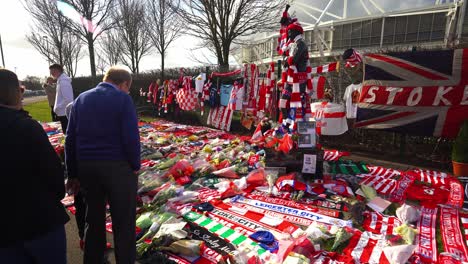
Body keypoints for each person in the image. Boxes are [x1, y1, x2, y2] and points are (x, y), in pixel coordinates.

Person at [65, 66, 140, 263]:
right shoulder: (123, 99)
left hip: (87, 167)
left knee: (94, 219)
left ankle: (92, 259)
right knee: (123, 223)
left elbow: (70, 138)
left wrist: (72, 172)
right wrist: (135, 164)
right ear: (123, 83)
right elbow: (131, 136)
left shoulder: (81, 99)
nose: (127, 91)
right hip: (117, 166)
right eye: (128, 88)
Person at [0, 69, 69, 263]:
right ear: (15, 92)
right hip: (38, 220)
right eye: (21, 91)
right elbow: (54, 174)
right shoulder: (25, 127)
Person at [49, 64, 73, 133]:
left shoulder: (63, 82)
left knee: (67, 133)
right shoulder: (60, 81)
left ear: (57, 70)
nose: (51, 74)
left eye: (52, 72)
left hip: (65, 113)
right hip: (63, 112)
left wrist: (58, 107)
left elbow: (69, 99)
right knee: (66, 132)